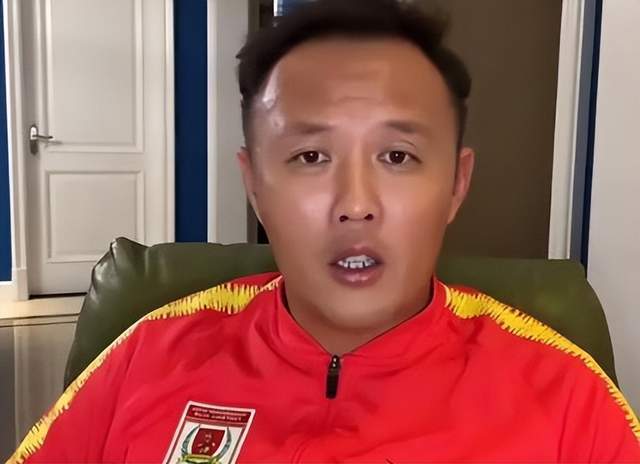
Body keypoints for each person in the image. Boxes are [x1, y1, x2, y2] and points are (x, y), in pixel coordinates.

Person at [8, 0, 640, 462]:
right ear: (255, 185)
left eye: (397, 156)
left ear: (456, 184)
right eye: (311, 157)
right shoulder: (144, 359)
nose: (355, 205)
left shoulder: (571, 400)